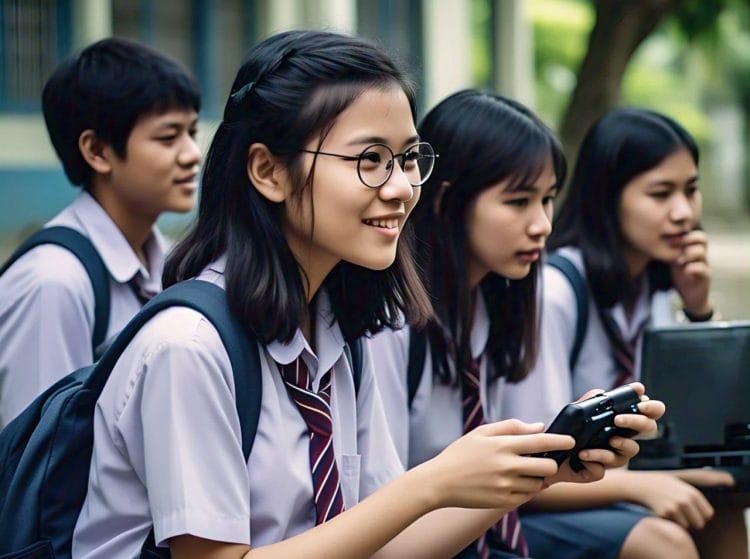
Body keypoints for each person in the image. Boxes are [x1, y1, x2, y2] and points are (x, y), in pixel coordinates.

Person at [71, 32, 661, 559]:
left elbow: (382, 543)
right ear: (268, 171)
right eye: (371, 160)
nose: (403, 188)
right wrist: (428, 483)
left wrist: (539, 470)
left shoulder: (334, 334)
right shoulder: (189, 347)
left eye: (408, 158)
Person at [369, 90, 670, 559]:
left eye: (547, 200)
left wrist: (564, 442)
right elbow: (381, 508)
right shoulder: (392, 324)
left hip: (483, 527)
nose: (542, 224)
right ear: (448, 201)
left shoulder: (492, 302)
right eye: (518, 201)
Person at [502, 107, 742, 559]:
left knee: (724, 499)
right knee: (664, 539)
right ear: (609, 197)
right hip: (532, 503)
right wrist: (647, 485)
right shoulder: (555, 292)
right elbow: (535, 466)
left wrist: (697, 310)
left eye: (691, 190)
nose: (683, 212)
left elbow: (689, 428)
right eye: (660, 193)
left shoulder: (652, 286)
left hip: (609, 480)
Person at [0, 37, 201, 428]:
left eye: (192, 131)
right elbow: (38, 460)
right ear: (97, 151)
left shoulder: (172, 266)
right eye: (168, 137)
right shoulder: (54, 283)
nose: (192, 153)